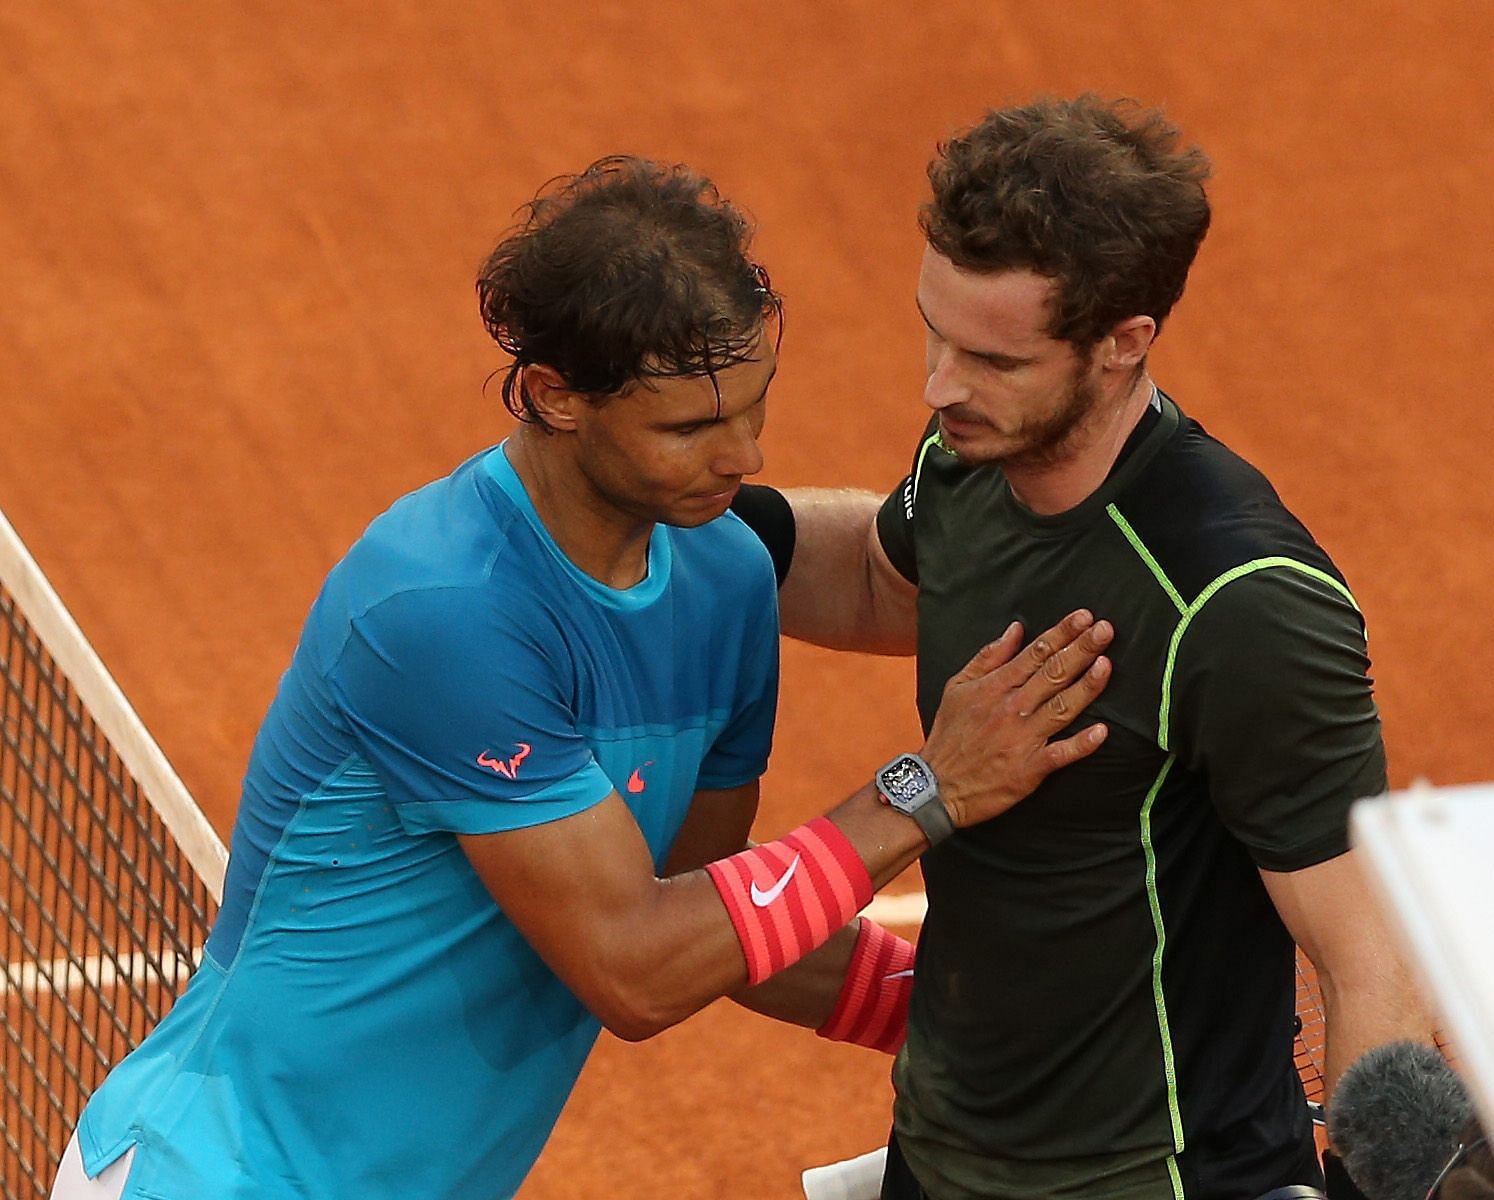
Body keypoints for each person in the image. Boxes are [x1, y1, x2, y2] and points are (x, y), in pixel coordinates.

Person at [51, 157, 1116, 1200]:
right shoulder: (442, 609)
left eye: (754, 405)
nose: (743, 454)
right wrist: (925, 791)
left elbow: (715, 919)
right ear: (556, 397)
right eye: (691, 427)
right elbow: (636, 969)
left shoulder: (728, 581)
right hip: (219, 1173)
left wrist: (952, 1021)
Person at [735, 97, 1438, 1200]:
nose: (940, 386)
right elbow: (883, 576)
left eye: (993, 358)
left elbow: (1368, 953)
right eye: (936, 333)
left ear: (1123, 344)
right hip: (944, 1150)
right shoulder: (973, 455)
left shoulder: (1238, 598)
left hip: (1151, 1175)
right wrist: (682, 518)